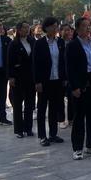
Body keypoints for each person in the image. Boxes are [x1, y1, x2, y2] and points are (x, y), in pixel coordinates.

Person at [66, 17, 91, 160]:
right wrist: (74, 86)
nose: (88, 29)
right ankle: (77, 148)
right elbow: (70, 68)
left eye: (89, 26)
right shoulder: (72, 45)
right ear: (77, 29)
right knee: (79, 117)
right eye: (84, 26)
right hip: (81, 85)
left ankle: (90, 145)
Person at [32, 17, 66, 146]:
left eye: (57, 25)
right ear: (47, 28)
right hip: (44, 80)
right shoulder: (39, 43)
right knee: (42, 108)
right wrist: (37, 82)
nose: (56, 28)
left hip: (57, 79)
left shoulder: (60, 42)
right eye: (54, 26)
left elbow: (63, 61)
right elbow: (35, 64)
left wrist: (64, 78)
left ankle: (53, 134)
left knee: (54, 107)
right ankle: (42, 135)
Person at [7, 22, 36, 137]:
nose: (27, 29)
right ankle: (19, 130)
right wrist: (11, 77)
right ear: (18, 30)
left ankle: (28, 128)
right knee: (18, 104)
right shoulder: (13, 44)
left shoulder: (32, 42)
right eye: (24, 28)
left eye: (28, 27)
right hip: (18, 78)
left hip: (31, 77)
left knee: (30, 104)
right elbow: (9, 62)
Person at [58, 23, 74, 130]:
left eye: (69, 30)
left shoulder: (73, 43)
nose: (68, 32)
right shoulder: (57, 43)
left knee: (71, 98)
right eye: (65, 30)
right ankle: (61, 119)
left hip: (71, 75)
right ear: (60, 32)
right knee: (60, 99)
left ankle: (71, 118)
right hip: (60, 75)